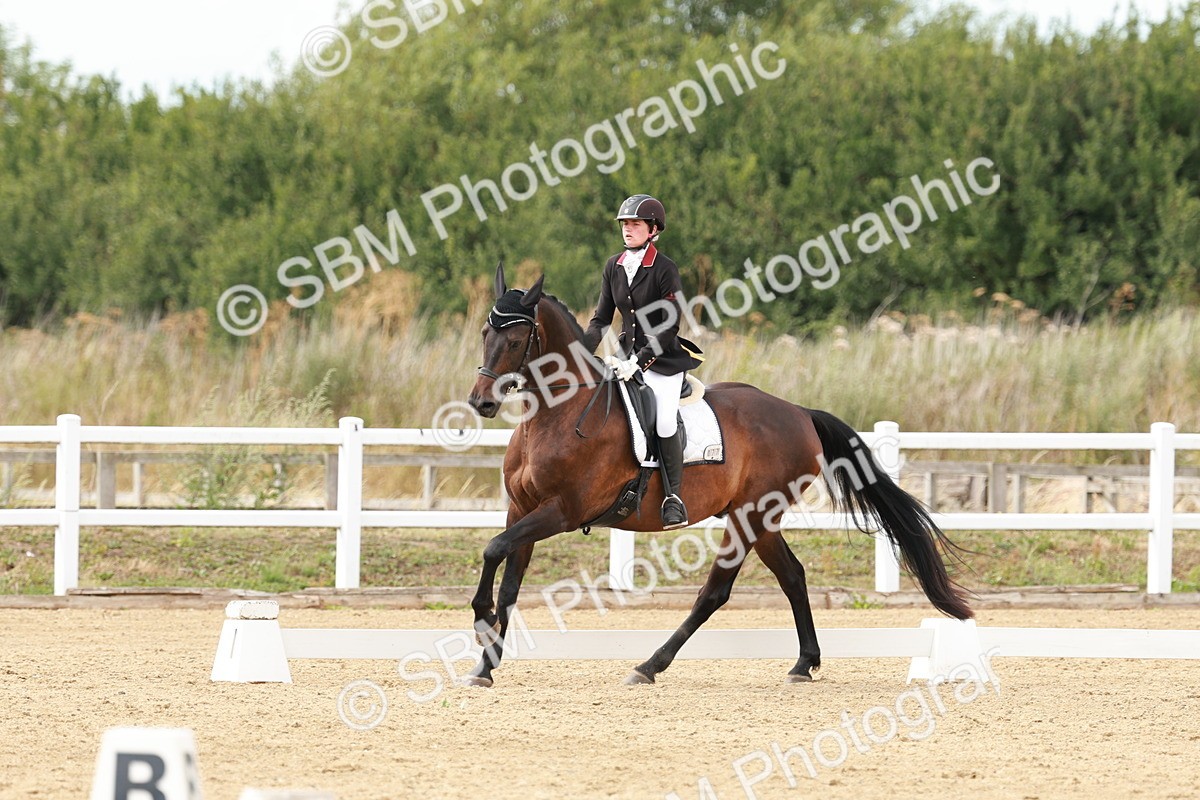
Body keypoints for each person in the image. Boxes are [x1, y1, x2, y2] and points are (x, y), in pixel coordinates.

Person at [583, 194, 703, 530]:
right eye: (624, 224)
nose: (627, 229)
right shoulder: (614, 266)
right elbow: (600, 320)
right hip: (623, 360)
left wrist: (639, 361)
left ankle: (673, 498)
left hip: (662, 361)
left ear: (652, 229)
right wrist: (578, 354)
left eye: (635, 224)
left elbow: (670, 324)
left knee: (664, 422)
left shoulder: (665, 269)